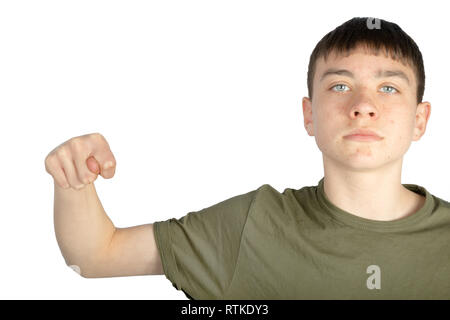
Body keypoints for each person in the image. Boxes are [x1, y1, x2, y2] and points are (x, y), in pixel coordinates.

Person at [45, 17, 450, 300]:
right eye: (341, 85)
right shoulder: (253, 225)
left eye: (389, 88)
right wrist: (75, 182)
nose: (363, 105)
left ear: (420, 119)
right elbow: (95, 256)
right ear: (309, 115)